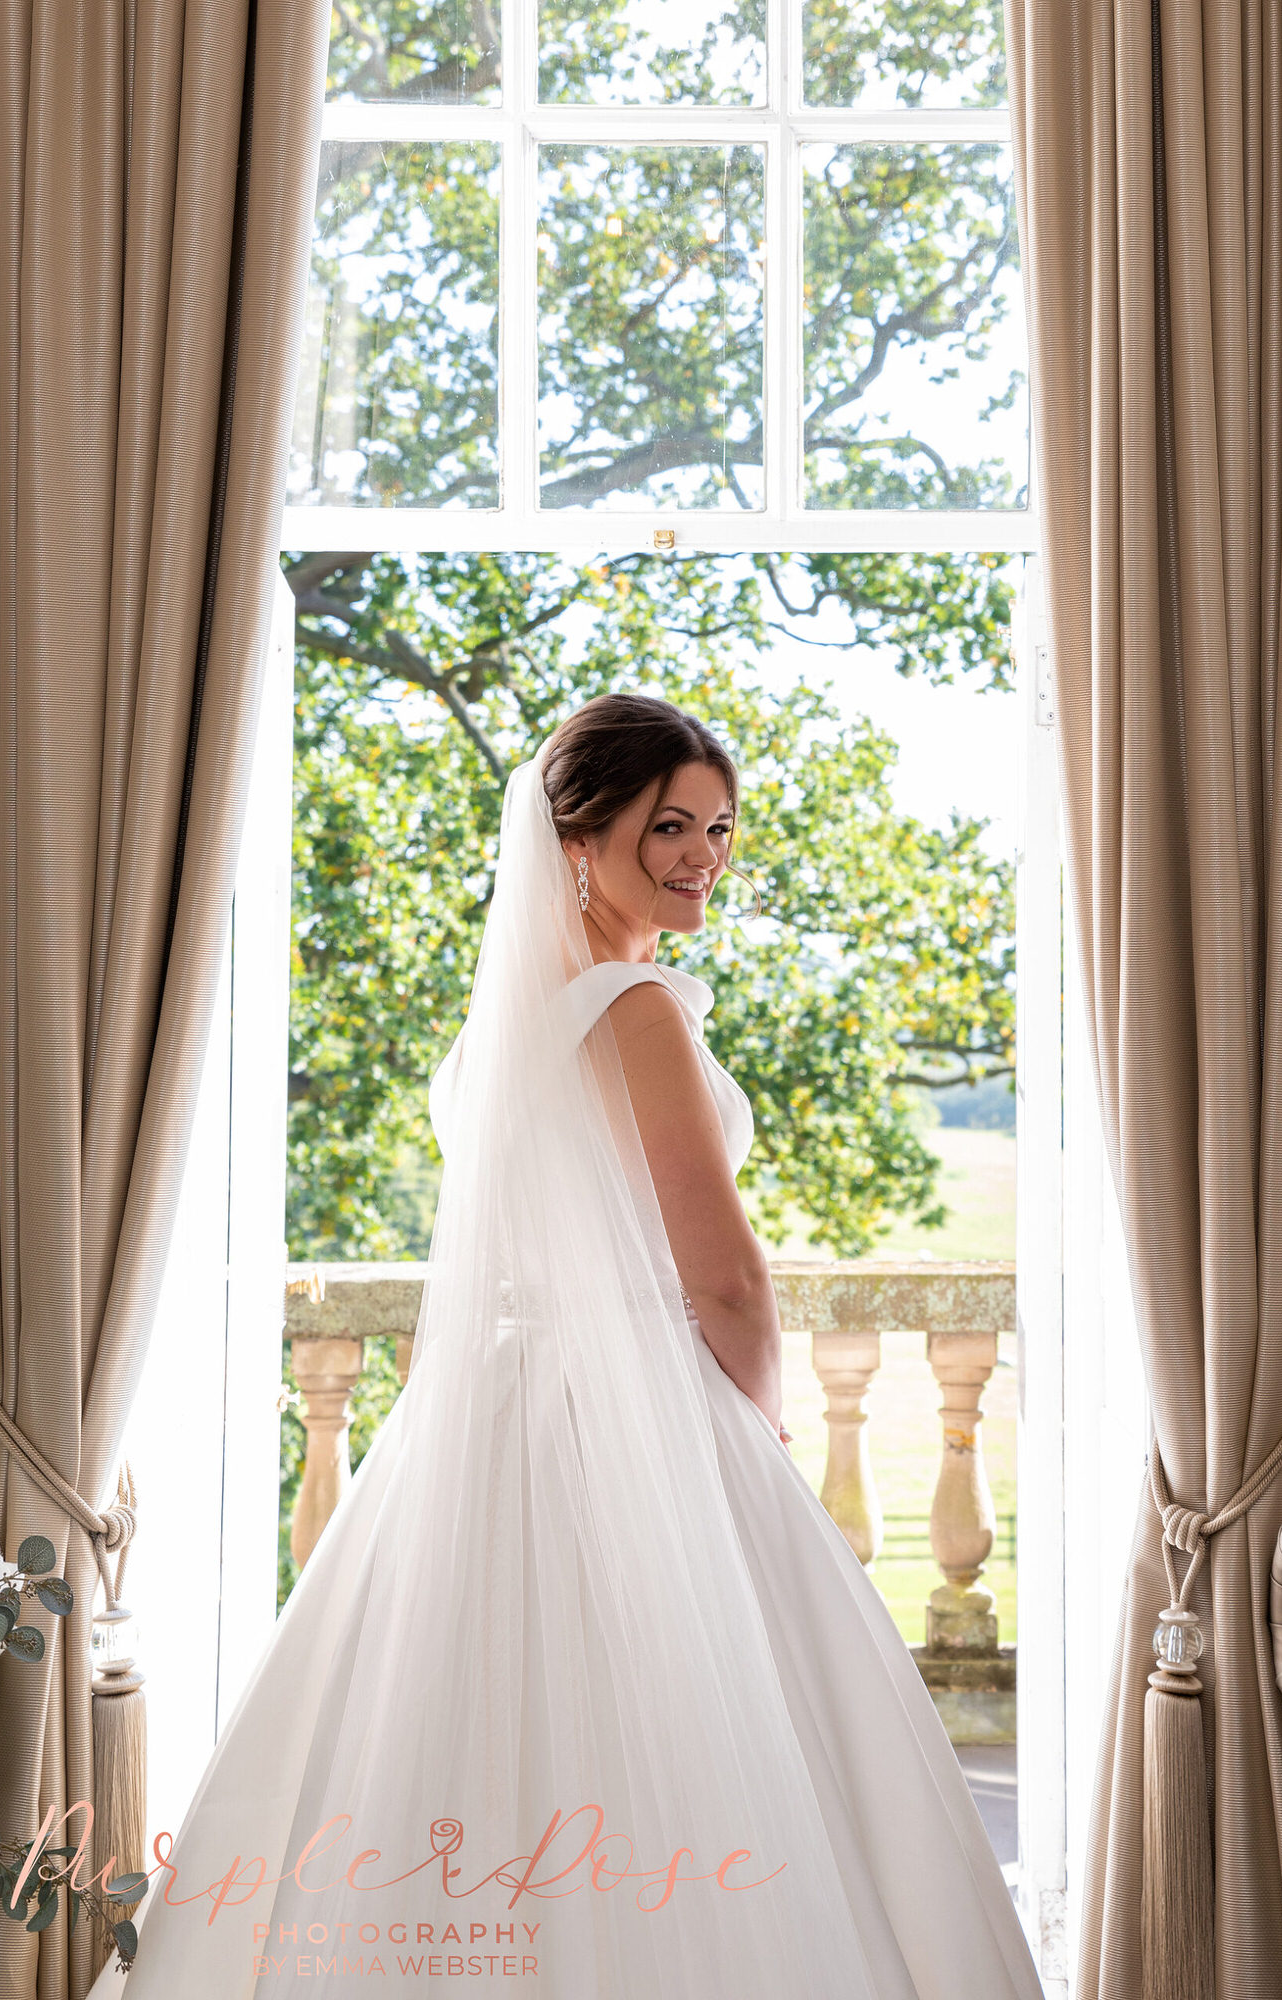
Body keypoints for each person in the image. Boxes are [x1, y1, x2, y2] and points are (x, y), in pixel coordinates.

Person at [87, 693, 1043, 1998]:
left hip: (487, 1408)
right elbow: (726, 1278)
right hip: (639, 1401)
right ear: (577, 838)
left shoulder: (493, 1033)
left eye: (717, 828)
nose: (702, 854)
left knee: (451, 1731)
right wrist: (752, 1426)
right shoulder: (633, 1008)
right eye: (668, 828)